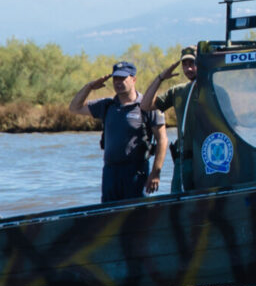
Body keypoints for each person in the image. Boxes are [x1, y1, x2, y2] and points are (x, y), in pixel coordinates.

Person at [70, 60, 168, 203]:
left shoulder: (147, 106)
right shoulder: (107, 105)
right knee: (108, 216)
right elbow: (74, 108)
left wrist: (155, 172)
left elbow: (162, 140)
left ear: (133, 79)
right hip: (110, 172)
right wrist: (89, 87)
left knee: (135, 217)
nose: (118, 82)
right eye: (115, 78)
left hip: (136, 171)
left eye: (123, 78)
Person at [143, 48, 199, 194]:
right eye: (185, 64)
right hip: (184, 160)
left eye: (192, 63)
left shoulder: (215, 89)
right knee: (178, 206)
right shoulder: (178, 91)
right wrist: (160, 78)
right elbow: (145, 105)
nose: (189, 68)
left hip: (209, 159)